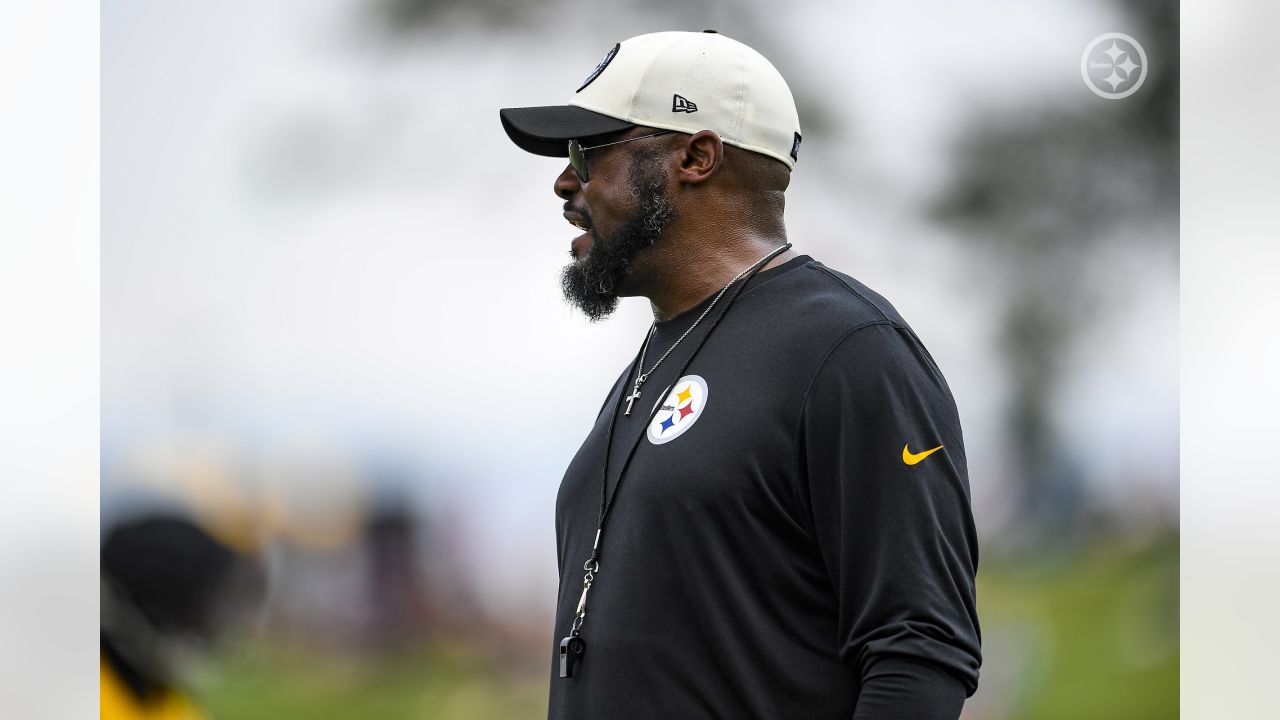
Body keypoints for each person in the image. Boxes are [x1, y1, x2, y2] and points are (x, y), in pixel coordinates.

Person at [500, 30, 982, 719]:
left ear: (695, 156)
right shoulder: (659, 358)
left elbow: (920, 653)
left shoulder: (849, 351)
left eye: (589, 150)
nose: (565, 181)